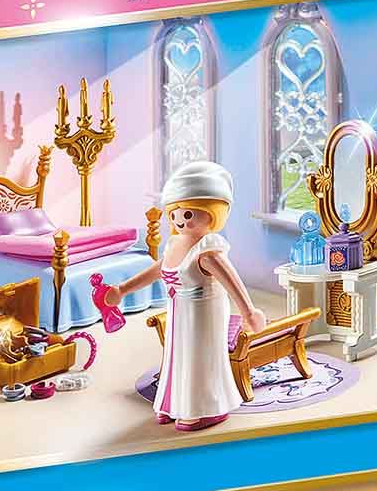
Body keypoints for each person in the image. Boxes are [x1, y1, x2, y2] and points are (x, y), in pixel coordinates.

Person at [105, 161, 267, 431]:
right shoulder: (175, 244)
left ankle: (206, 408)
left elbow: (232, 282)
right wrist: (123, 289)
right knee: (176, 355)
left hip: (204, 311)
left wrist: (249, 311)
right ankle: (174, 403)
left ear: (212, 213)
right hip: (179, 309)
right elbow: (158, 270)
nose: (180, 220)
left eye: (189, 214)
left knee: (199, 356)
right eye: (175, 214)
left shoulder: (208, 252)